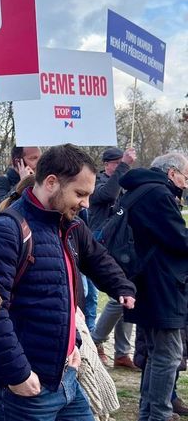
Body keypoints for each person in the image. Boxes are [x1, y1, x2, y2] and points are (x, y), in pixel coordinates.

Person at [0, 144, 136, 421]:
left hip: (67, 379)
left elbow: (97, 258)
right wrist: (18, 374)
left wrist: (121, 286)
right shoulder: (5, 230)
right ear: (51, 182)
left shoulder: (70, 225)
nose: (86, 203)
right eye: (80, 194)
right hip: (25, 389)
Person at [119, 152, 188, 421]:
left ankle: (148, 412)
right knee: (168, 355)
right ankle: (158, 414)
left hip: (146, 282)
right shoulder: (158, 194)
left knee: (157, 353)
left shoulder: (140, 190)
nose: (185, 183)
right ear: (171, 173)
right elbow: (179, 240)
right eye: (184, 176)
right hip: (162, 284)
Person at [88, 146, 138, 369]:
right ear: (106, 164)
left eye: (122, 163)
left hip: (124, 246)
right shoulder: (97, 183)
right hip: (101, 245)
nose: (120, 167)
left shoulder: (125, 184)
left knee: (129, 294)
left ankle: (122, 352)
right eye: (117, 163)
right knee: (120, 296)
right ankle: (95, 340)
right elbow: (108, 194)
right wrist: (125, 165)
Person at [0, 146, 41, 210]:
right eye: (33, 158)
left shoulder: (40, 182)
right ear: (18, 162)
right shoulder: (0, 181)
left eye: (40, 158)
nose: (39, 162)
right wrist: (24, 182)